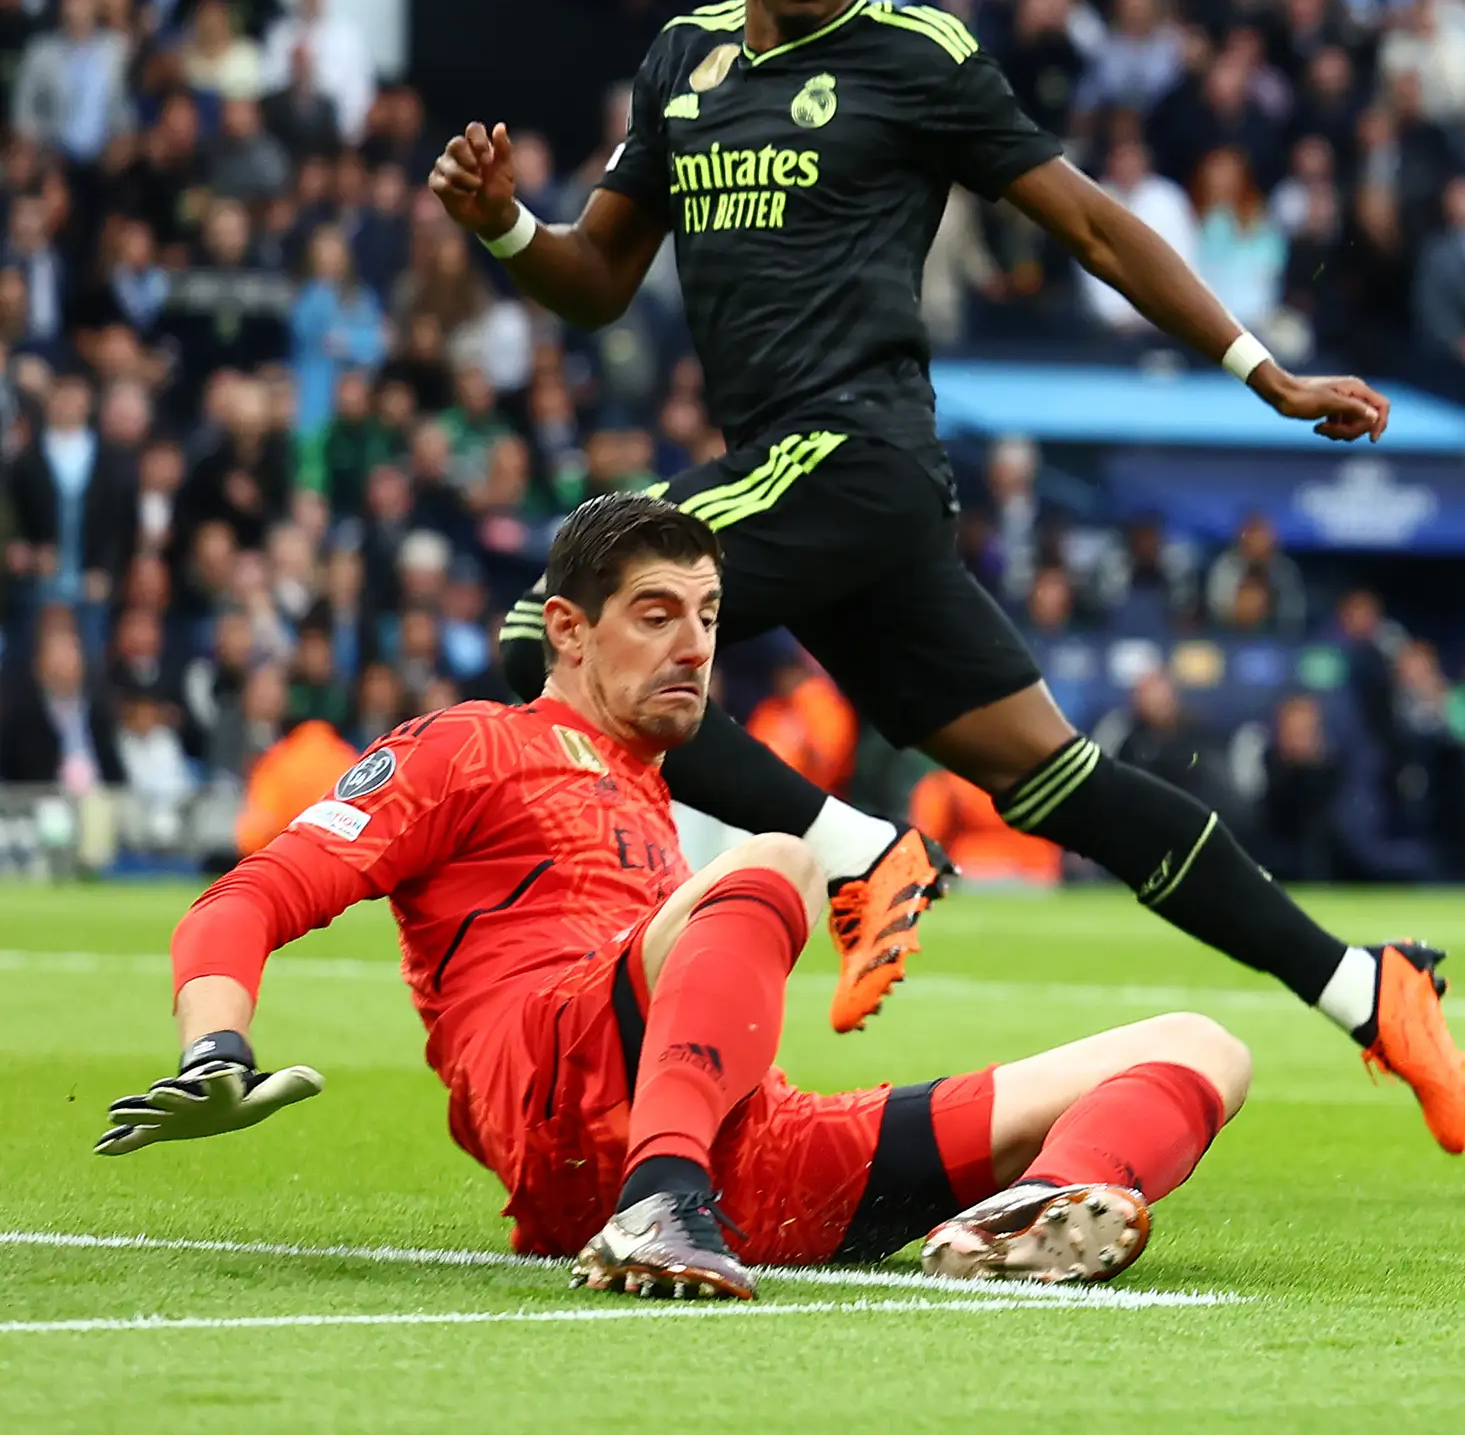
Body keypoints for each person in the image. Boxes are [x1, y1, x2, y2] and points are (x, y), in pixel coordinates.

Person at [426, 0, 1465, 1153]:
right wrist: (507, 227)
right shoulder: (680, 62)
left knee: (547, 633)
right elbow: (596, 279)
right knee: (1057, 779)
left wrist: (1260, 369)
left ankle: (859, 850)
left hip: (852, 455)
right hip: (810, 485)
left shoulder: (916, 60)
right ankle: (1358, 985)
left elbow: (1090, 221)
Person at [95, 496, 1254, 1296]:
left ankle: (1040, 1210)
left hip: (748, 1143)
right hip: (562, 1104)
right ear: (566, 630)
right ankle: (656, 1199)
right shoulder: (466, 747)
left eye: (707, 615)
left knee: (1203, 1045)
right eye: (657, 614)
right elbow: (242, 901)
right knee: (777, 856)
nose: (695, 643)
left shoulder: (649, 784)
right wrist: (216, 1048)